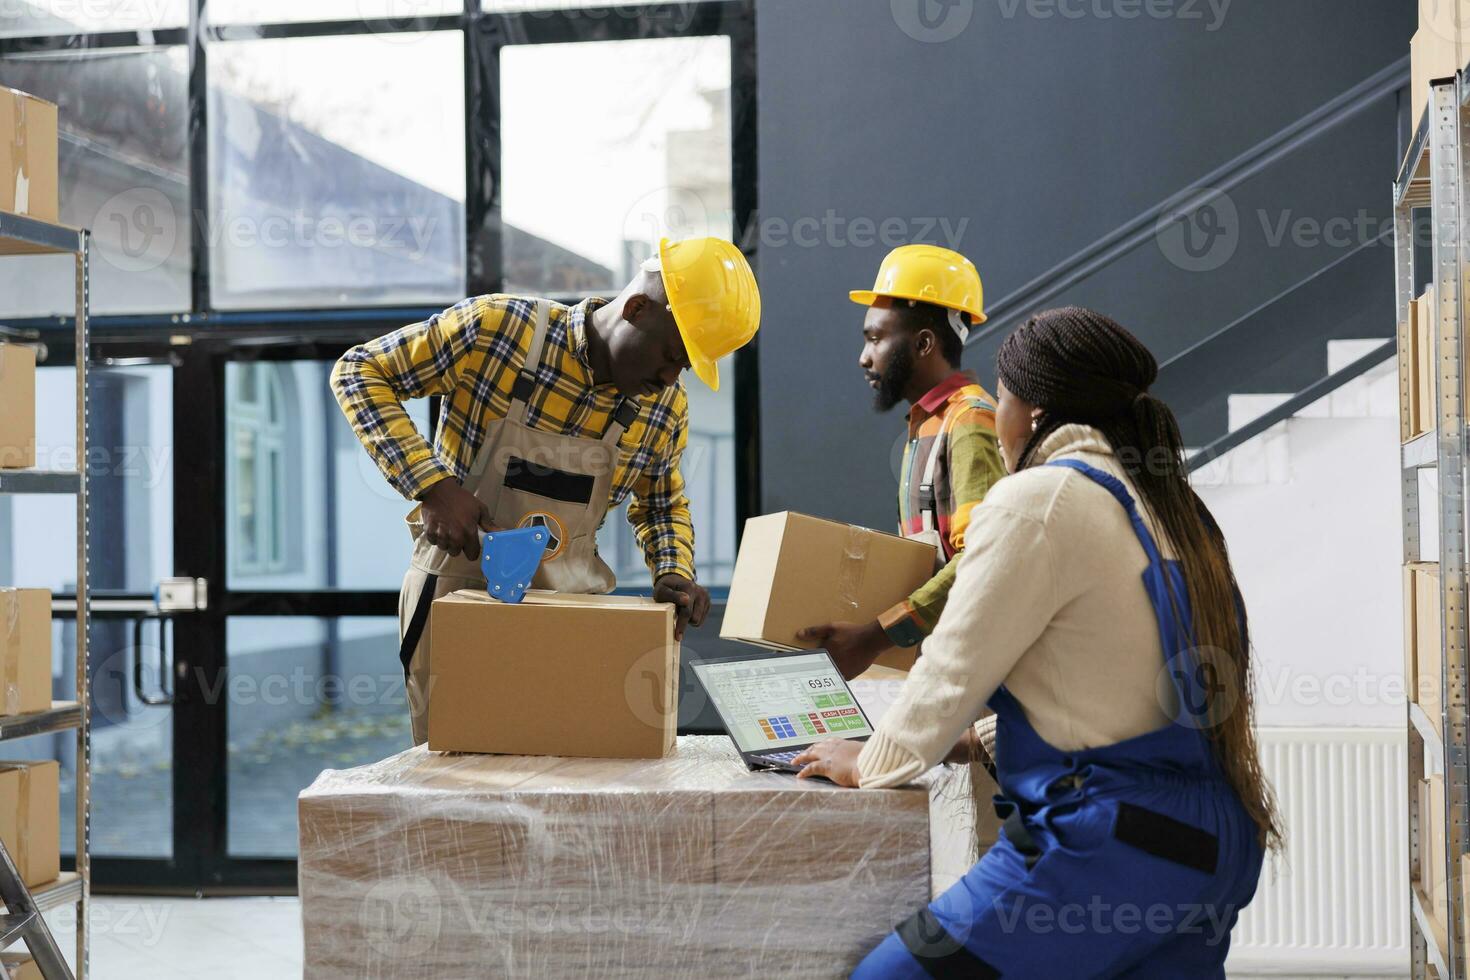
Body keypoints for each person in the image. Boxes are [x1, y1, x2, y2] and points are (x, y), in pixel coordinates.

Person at [792, 307, 1279, 977]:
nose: (996, 416)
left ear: (1034, 410)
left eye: (1004, 396)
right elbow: (1108, 686)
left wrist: (872, 761)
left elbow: (950, 670)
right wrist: (977, 742)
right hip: (1205, 850)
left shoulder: (1042, 499)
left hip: (1113, 848)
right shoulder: (1170, 505)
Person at [331, 237, 760, 744]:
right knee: (464, 778)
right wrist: (434, 487)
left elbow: (661, 502)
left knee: (569, 776)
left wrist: (673, 571)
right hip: (461, 601)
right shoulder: (500, 330)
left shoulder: (663, 408)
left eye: (684, 367)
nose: (669, 379)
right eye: (670, 355)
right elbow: (360, 371)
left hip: (572, 612)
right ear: (638, 308)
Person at [798, 245, 1005, 679]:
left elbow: (984, 557)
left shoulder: (969, 420)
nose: (864, 357)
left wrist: (877, 635)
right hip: (947, 657)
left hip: (979, 666)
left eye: (875, 338)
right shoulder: (929, 423)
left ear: (924, 343)